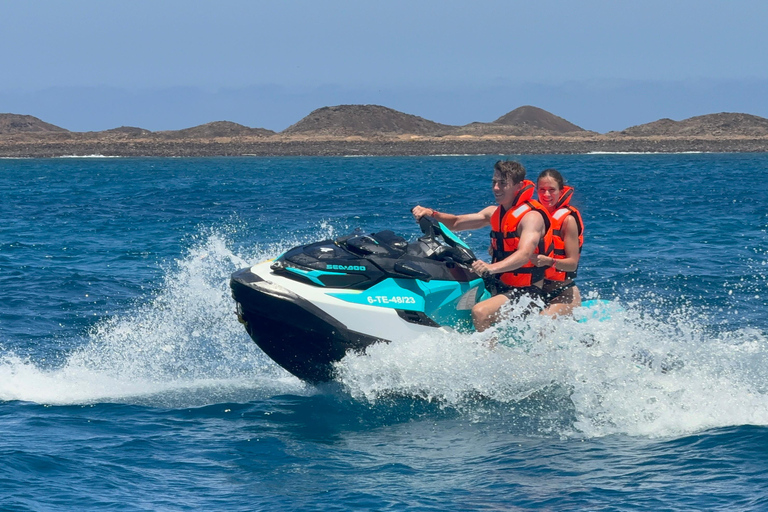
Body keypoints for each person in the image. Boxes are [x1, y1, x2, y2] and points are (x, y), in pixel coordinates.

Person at [412, 160, 553, 332]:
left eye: (503, 183)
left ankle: (491, 350)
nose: (496, 188)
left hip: (528, 292)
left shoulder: (531, 217)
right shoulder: (494, 213)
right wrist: (432, 214)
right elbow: (456, 223)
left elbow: (524, 254)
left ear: (519, 186)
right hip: (500, 285)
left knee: (480, 312)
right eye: (494, 182)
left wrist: (491, 267)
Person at [531, 168, 584, 317]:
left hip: (563, 292)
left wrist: (549, 261)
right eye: (542, 190)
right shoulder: (531, 217)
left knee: (541, 321)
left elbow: (572, 264)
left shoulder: (568, 220)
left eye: (552, 190)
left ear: (561, 191)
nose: (546, 194)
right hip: (536, 291)